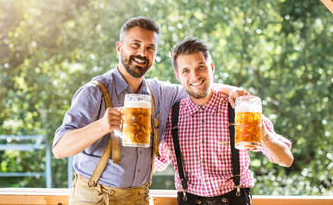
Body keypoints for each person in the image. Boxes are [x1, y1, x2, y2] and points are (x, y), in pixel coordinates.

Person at [52, 17, 247, 205]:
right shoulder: (95, 91)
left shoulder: (159, 92)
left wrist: (231, 90)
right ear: (119, 48)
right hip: (95, 197)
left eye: (150, 48)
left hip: (139, 197)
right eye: (135, 45)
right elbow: (60, 149)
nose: (142, 53)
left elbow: (196, 85)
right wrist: (102, 126)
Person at [154, 37, 294, 205]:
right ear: (178, 76)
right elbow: (156, 164)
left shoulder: (239, 108)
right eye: (186, 71)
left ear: (211, 68)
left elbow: (286, 159)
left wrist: (265, 136)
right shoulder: (171, 116)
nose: (195, 76)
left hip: (235, 199)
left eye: (201, 67)